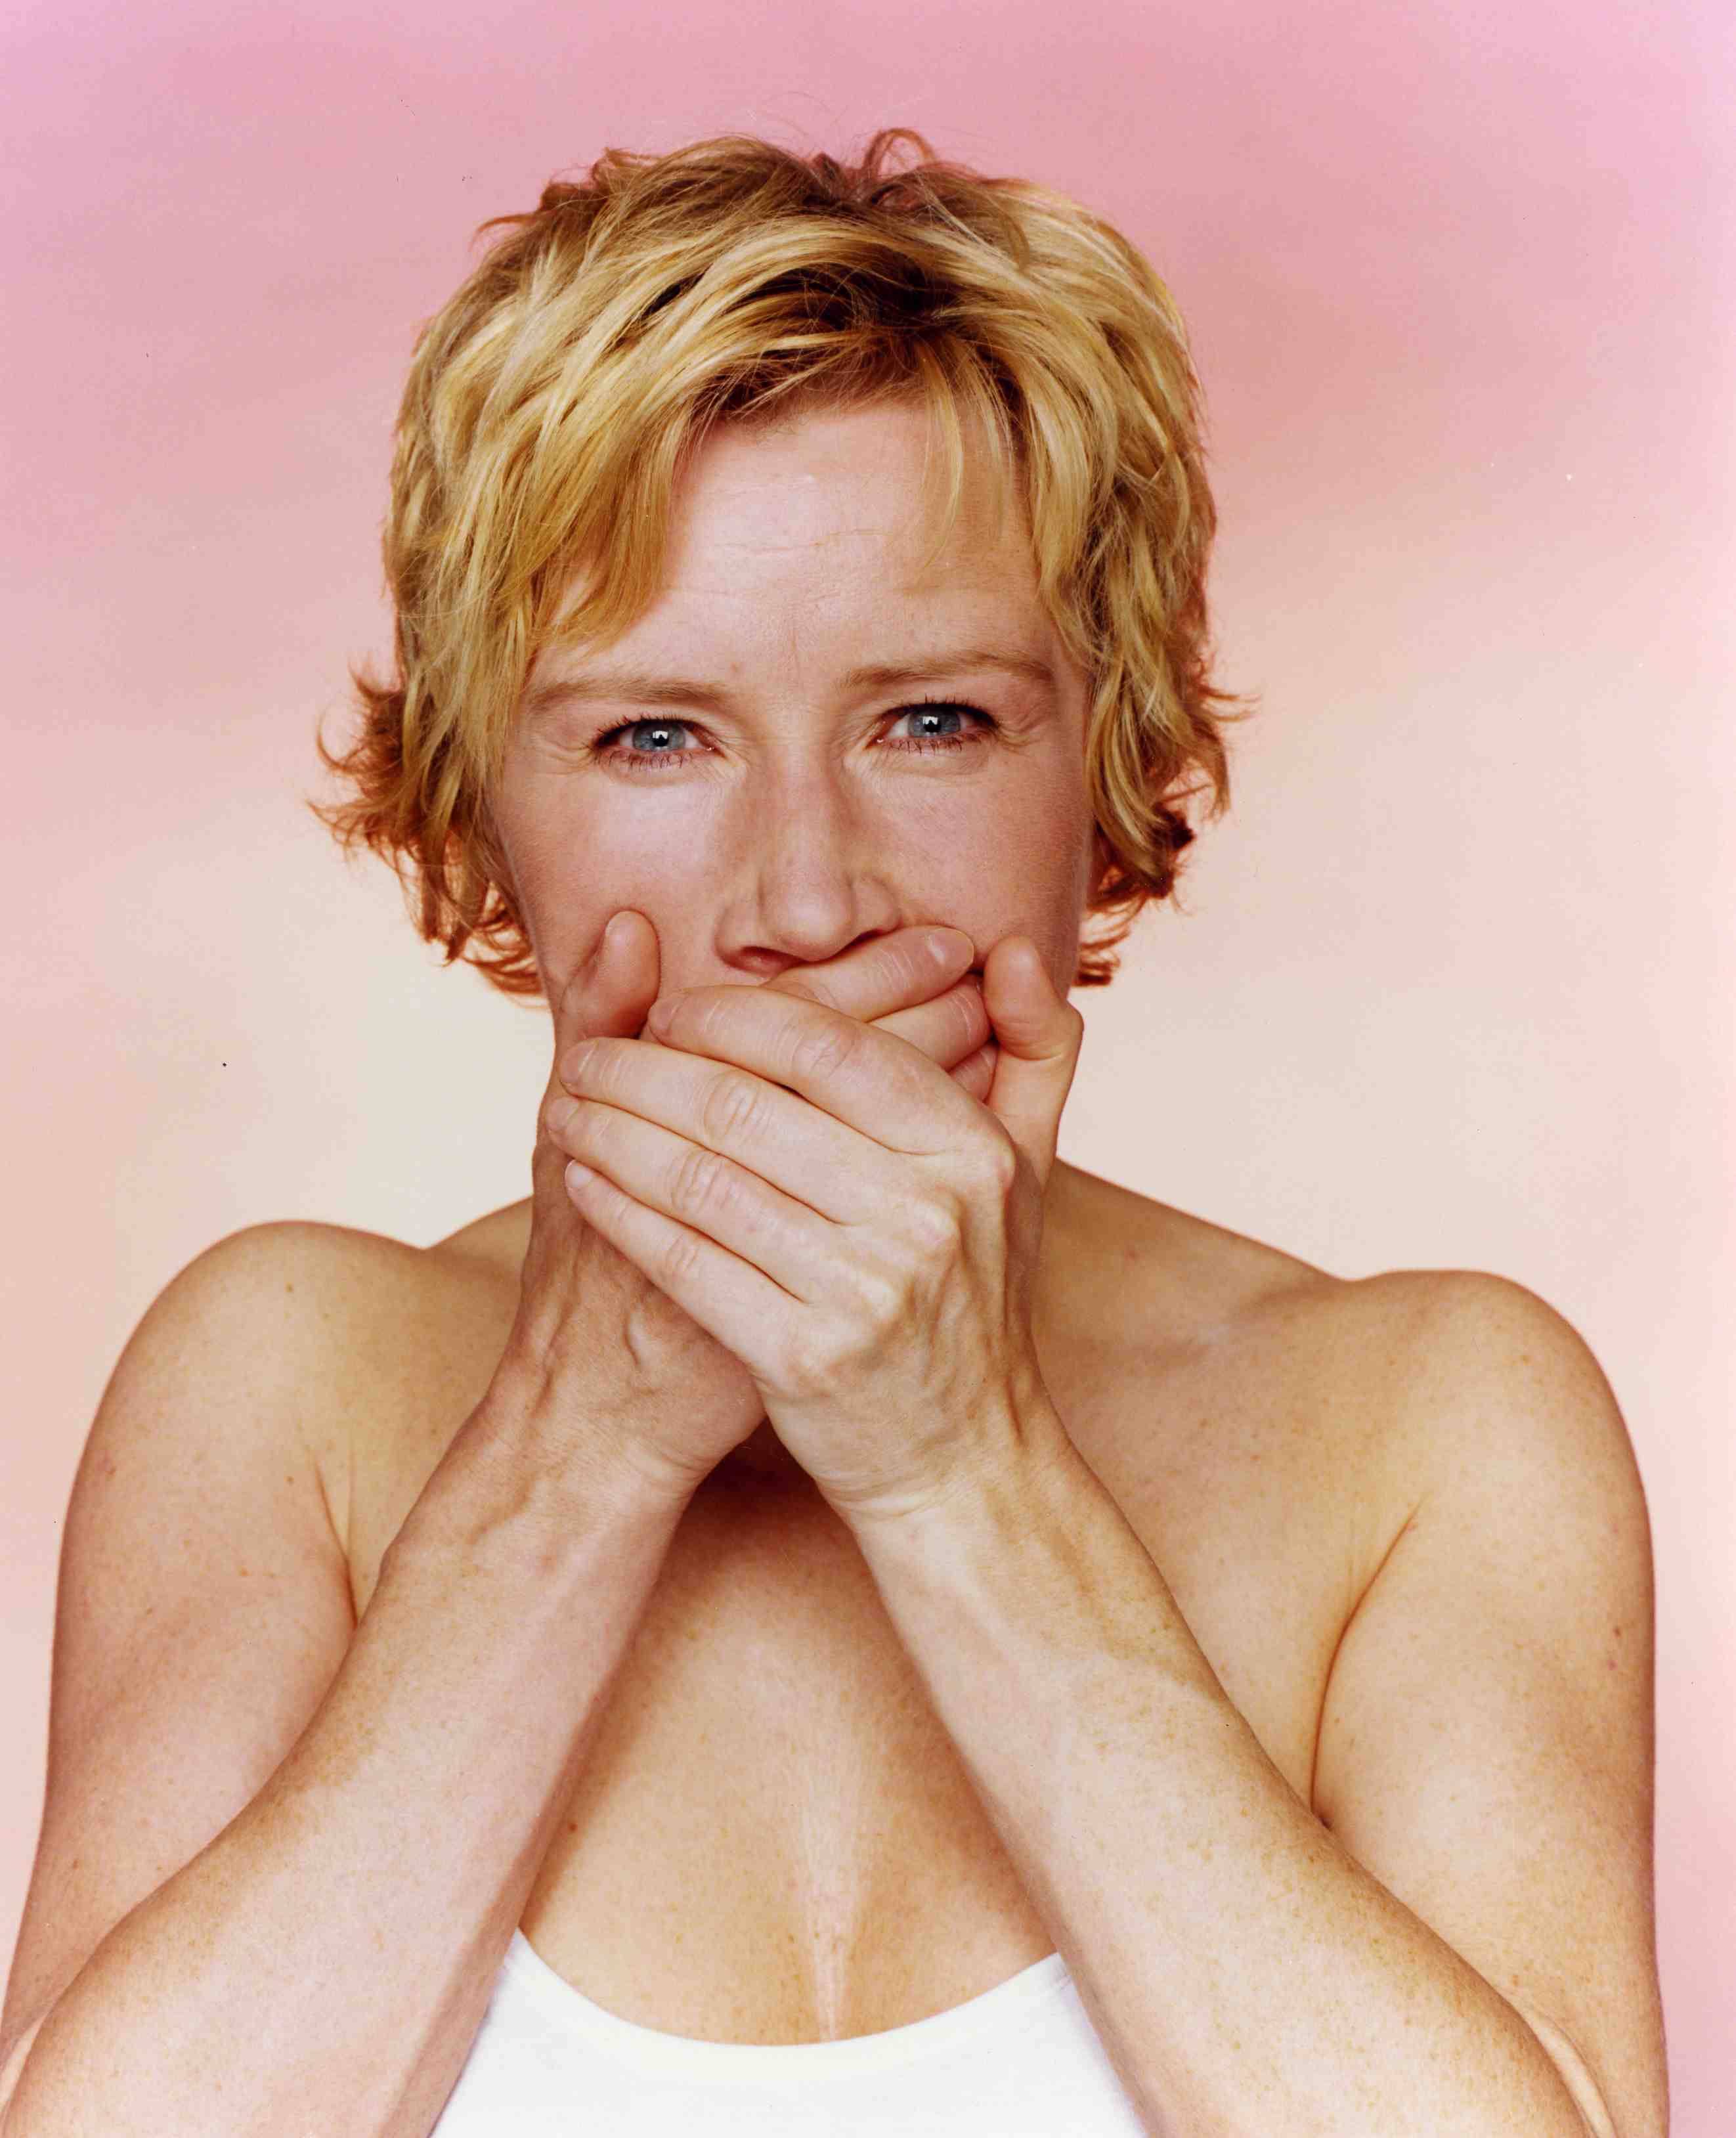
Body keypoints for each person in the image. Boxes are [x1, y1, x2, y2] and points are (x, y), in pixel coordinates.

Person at [0, 129, 1665, 2138]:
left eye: (931, 719)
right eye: (653, 734)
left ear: (1106, 761)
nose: (802, 898)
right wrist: (579, 1447)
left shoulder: (1427, 1418)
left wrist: (960, 1470)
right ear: (478, 806)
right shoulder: (287, 1380)